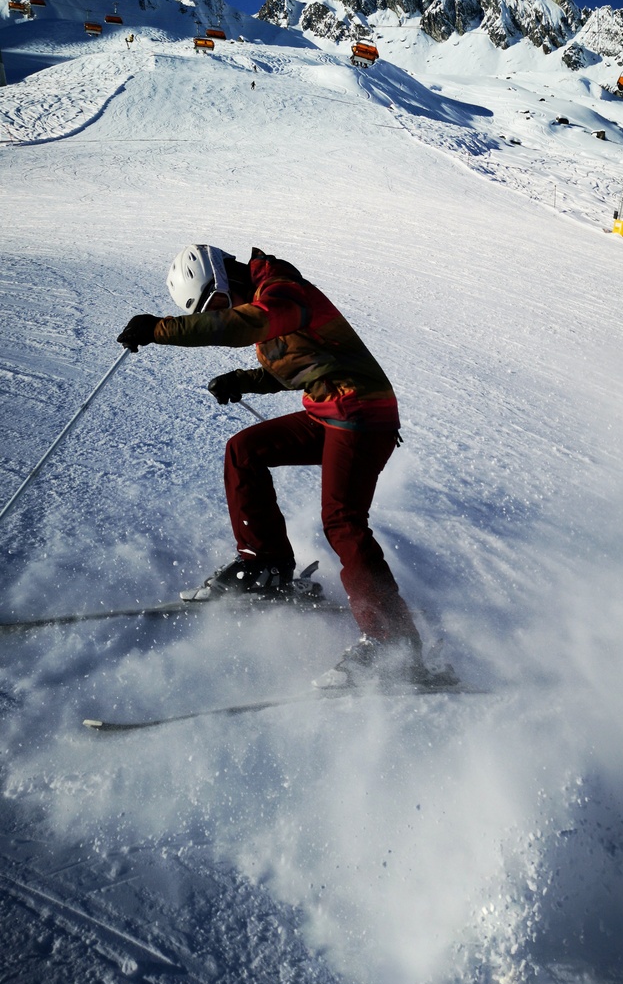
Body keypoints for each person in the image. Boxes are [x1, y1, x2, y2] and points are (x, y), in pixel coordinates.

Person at [117, 244, 440, 689]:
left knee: (342, 521)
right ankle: (265, 565)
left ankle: (395, 645)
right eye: (212, 309)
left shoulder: (283, 292)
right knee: (244, 450)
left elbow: (244, 324)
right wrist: (244, 380)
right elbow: (297, 365)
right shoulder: (266, 304)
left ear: (224, 277)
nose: (222, 310)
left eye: (218, 302)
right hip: (331, 410)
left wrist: (159, 329)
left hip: (362, 412)